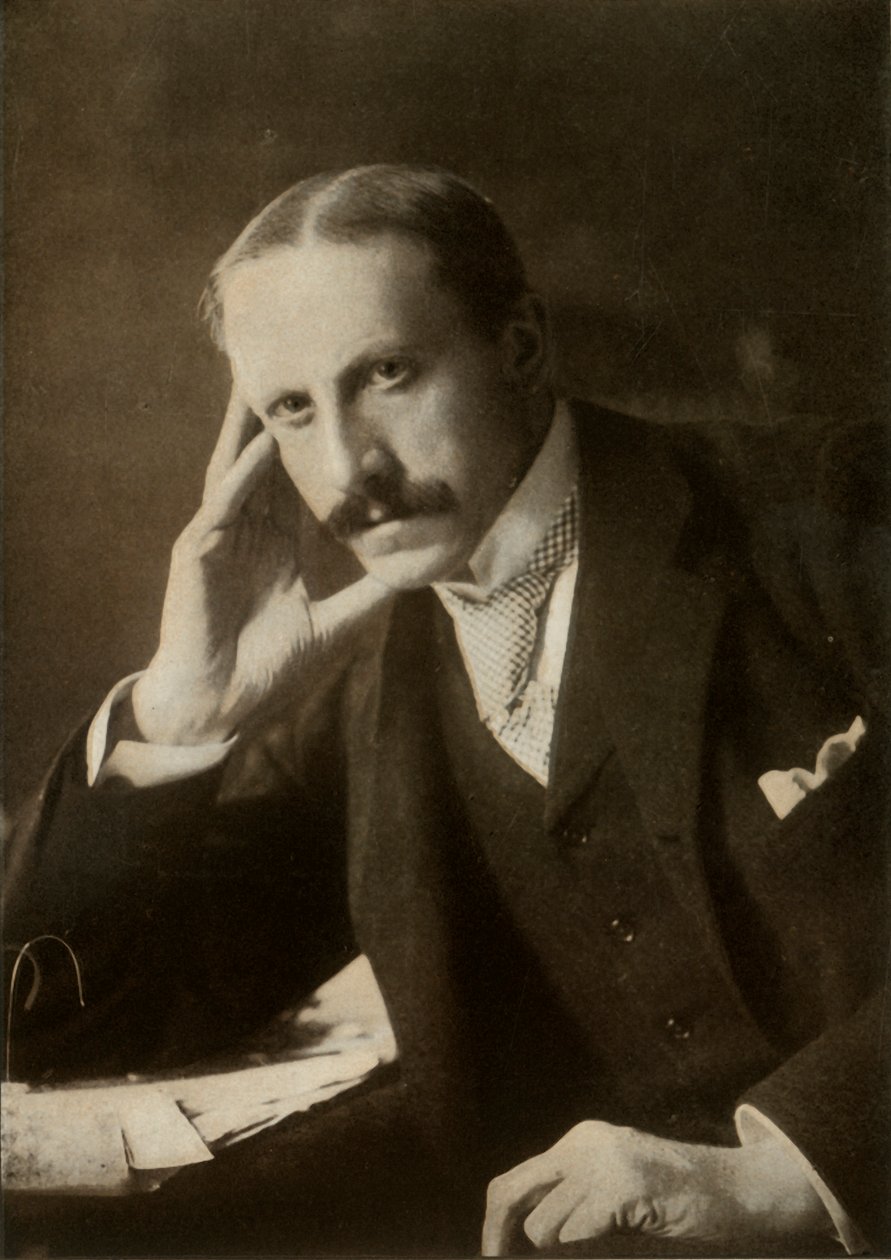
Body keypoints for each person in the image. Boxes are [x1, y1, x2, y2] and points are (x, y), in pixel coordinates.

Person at [4, 165, 889, 1258]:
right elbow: (58, 1024)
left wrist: (796, 1166)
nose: (350, 467)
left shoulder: (832, 505)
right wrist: (175, 713)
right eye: (292, 409)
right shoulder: (358, 691)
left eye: (387, 374)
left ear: (520, 348)